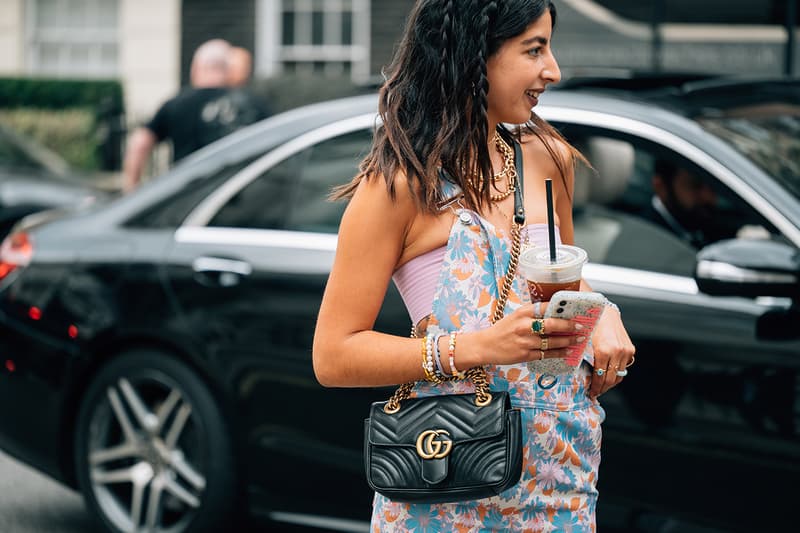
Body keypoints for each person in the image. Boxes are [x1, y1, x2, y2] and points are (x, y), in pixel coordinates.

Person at [312, 1, 635, 531]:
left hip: (560, 477)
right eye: (534, 49)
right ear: (473, 56)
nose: (552, 69)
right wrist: (479, 348)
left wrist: (600, 310)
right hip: (448, 480)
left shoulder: (547, 157)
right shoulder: (397, 188)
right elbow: (333, 354)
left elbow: (560, 278)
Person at [123, 39, 269, 193]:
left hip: (187, 197)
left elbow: (139, 144)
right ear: (227, 70)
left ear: (196, 67)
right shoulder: (252, 104)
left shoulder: (176, 104)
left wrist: (132, 190)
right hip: (236, 196)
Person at [642, 158, 733, 248]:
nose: (708, 196)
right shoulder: (646, 236)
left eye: (713, 186)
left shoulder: (713, 225)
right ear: (660, 187)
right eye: (695, 185)